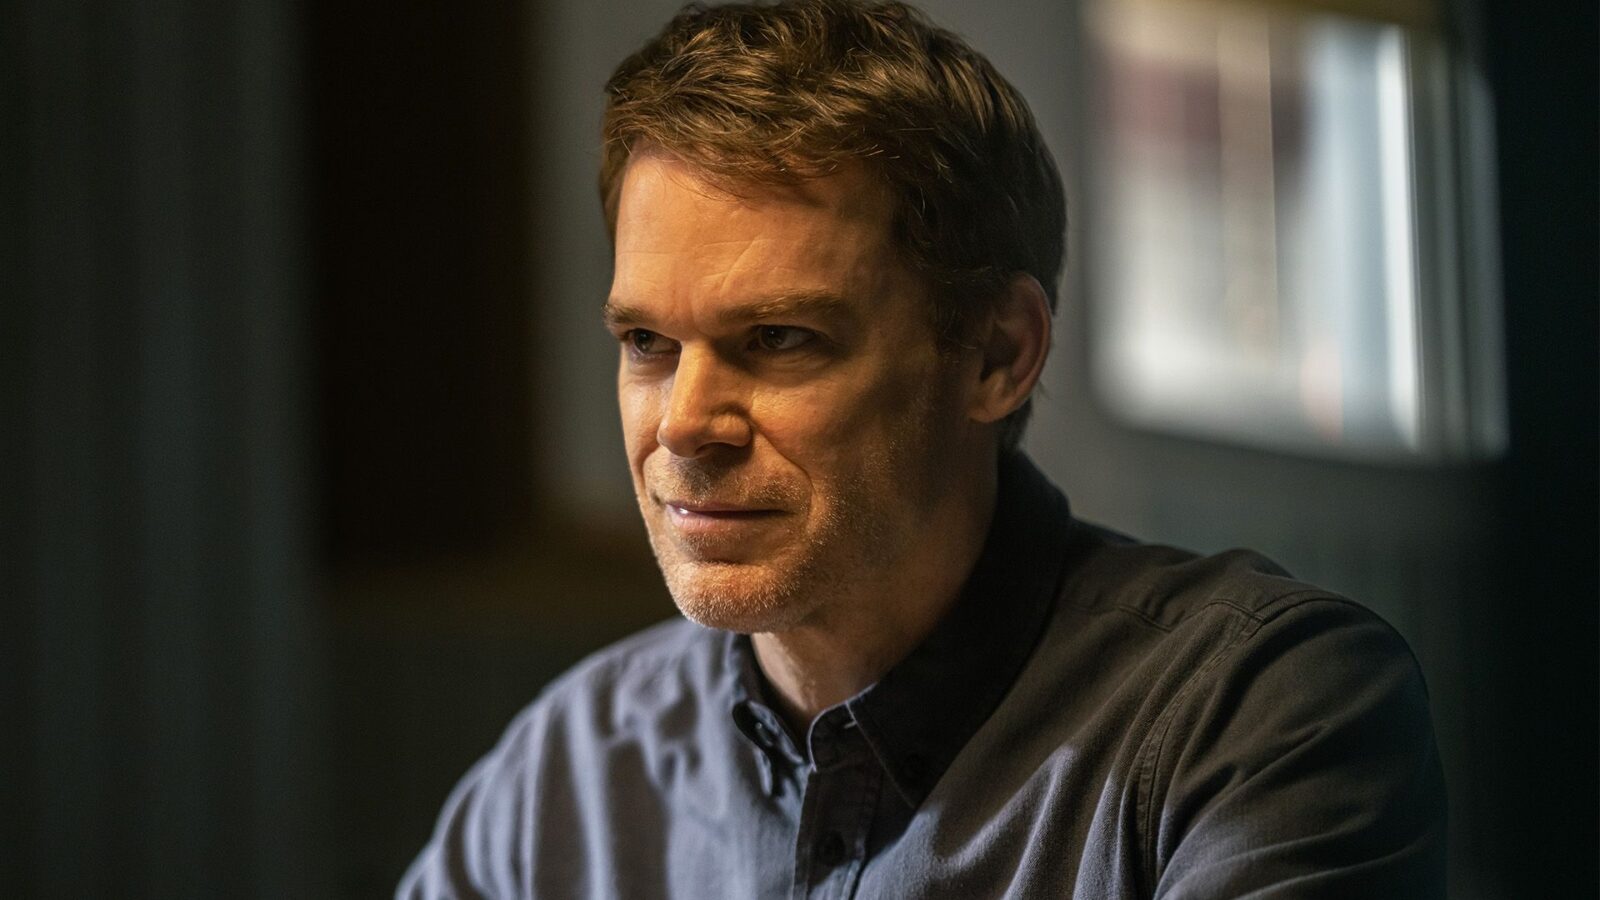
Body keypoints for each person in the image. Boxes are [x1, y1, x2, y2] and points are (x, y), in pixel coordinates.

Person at [400, 1, 1446, 896]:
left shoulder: (1246, 714)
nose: (681, 422)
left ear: (997, 354)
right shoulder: (568, 775)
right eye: (647, 343)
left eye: (779, 339)